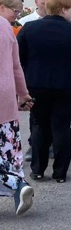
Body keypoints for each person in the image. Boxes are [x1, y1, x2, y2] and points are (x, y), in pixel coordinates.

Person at [17, 0, 71, 183]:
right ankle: (60, 172)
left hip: (36, 83)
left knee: (39, 124)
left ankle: (37, 169)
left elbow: (19, 58)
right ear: (62, 9)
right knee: (62, 126)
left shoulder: (29, 28)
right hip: (66, 84)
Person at [0, 14, 35, 216]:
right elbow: (16, 65)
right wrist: (23, 93)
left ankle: (16, 184)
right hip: (5, 95)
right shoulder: (4, 24)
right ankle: (18, 186)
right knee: (7, 150)